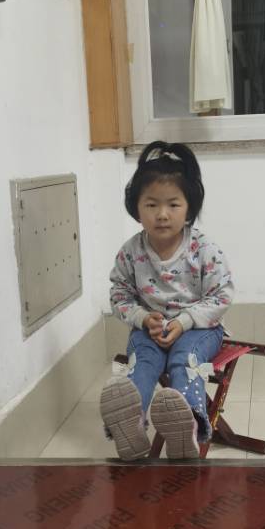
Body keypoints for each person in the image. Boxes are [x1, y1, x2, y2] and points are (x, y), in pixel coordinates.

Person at [100, 140, 234, 460]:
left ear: (189, 208)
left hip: (200, 330)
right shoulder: (130, 252)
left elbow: (222, 294)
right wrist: (142, 318)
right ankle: (131, 427)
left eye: (173, 204)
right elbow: (119, 294)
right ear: (136, 208)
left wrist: (185, 321)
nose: (162, 215)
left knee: (184, 359)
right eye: (151, 205)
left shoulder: (204, 249)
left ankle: (186, 425)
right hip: (150, 328)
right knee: (143, 363)